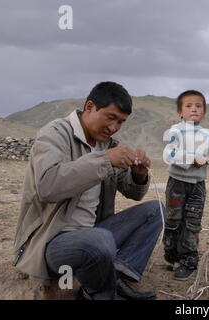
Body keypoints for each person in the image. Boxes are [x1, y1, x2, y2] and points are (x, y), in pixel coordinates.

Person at [13, 81, 164, 300]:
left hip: (95, 234)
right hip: (53, 240)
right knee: (99, 240)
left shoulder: (108, 144)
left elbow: (134, 193)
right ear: (90, 107)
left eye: (121, 122)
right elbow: (48, 187)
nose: (113, 128)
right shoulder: (55, 134)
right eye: (110, 118)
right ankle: (101, 294)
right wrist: (104, 160)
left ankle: (116, 277)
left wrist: (139, 174)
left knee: (155, 211)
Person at [162, 90, 209, 280]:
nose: (194, 109)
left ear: (204, 111)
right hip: (177, 183)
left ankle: (188, 260)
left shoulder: (207, 134)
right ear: (180, 111)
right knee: (173, 220)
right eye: (188, 106)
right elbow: (168, 154)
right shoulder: (174, 131)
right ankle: (172, 254)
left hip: (198, 186)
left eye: (199, 106)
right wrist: (192, 158)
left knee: (192, 222)